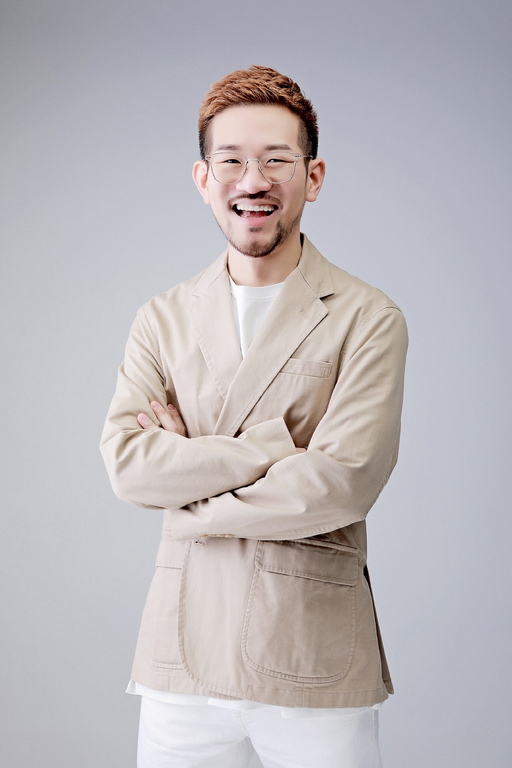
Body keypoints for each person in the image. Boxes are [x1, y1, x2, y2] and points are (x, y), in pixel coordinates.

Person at [100, 65, 408, 768]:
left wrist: (189, 494)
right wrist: (272, 449)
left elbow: (341, 483)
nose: (254, 180)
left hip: (311, 649)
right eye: (232, 161)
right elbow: (129, 466)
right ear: (204, 179)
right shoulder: (162, 318)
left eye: (277, 160)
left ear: (313, 176)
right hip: (180, 654)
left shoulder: (368, 318)